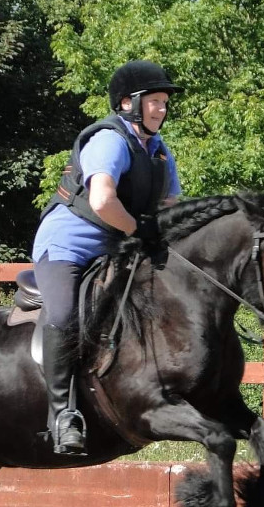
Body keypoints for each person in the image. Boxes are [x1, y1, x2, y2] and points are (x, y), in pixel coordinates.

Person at [32, 59, 184, 455]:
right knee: (64, 315)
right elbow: (102, 201)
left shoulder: (159, 151)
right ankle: (62, 416)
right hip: (70, 245)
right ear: (127, 103)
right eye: (154, 101)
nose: (162, 109)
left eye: (165, 101)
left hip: (120, 247)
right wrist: (140, 229)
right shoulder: (109, 140)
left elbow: (171, 204)